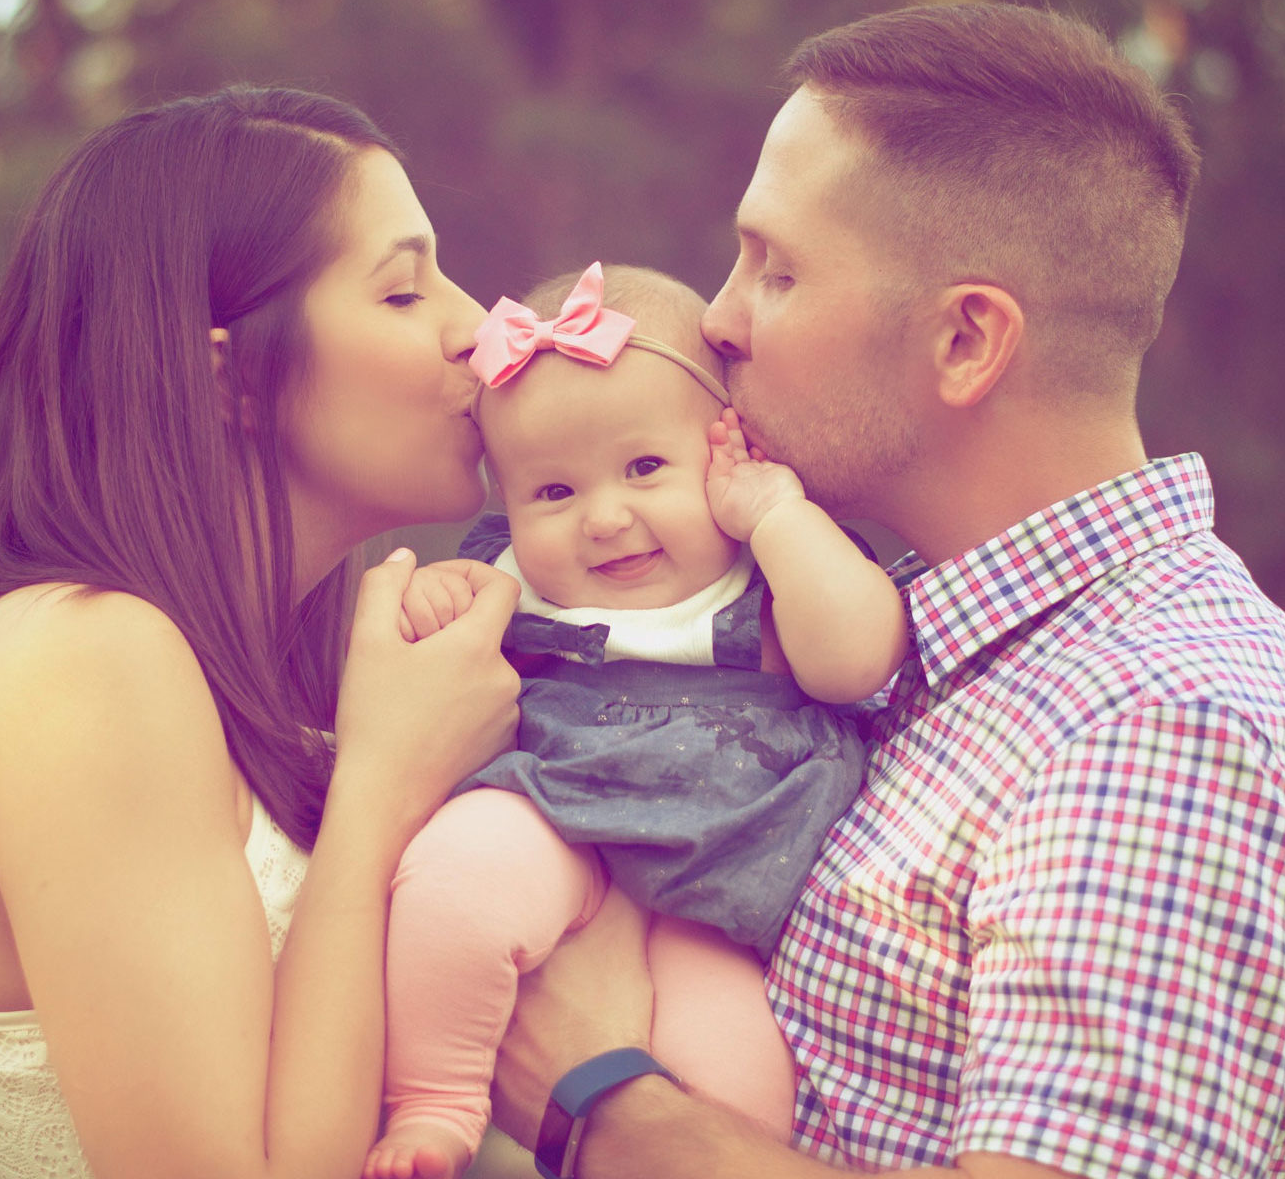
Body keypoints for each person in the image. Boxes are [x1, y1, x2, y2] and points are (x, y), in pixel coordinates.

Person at [489, 3, 1285, 1179]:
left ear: (967, 340)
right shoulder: (897, 634)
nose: (718, 318)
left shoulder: (1167, 726)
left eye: (778, 269)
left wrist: (602, 1101)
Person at [0, 85, 525, 1179]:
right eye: (406, 291)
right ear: (230, 377)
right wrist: (381, 785)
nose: (480, 326)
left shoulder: (274, 678)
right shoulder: (80, 663)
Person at [363, 262, 905, 1179]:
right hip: (555, 815)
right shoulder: (512, 581)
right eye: (553, 493)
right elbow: (442, 664)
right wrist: (438, 601)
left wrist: (774, 511)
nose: (605, 519)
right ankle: (435, 1102)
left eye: (646, 468)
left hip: (722, 892)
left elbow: (859, 660)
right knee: (450, 886)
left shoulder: (772, 564)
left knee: (736, 1097)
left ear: (728, 449)